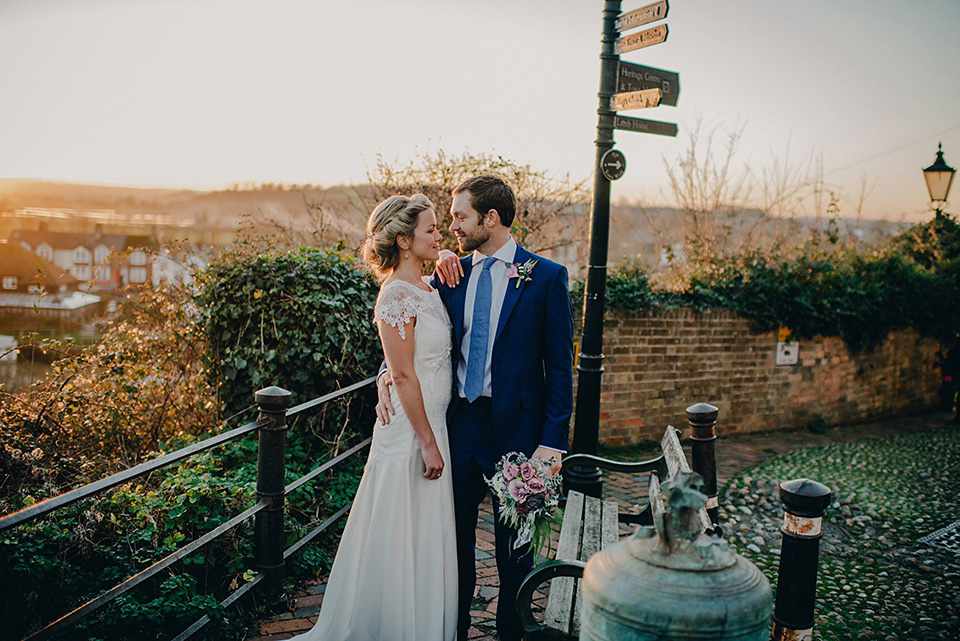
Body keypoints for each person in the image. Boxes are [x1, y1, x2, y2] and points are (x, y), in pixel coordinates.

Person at [377, 175, 574, 641]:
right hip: (459, 428)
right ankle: (454, 629)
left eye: (460, 216)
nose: (452, 227)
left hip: (521, 435)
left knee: (515, 551)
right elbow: (413, 339)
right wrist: (384, 376)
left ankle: (511, 632)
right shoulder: (450, 275)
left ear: (491, 218)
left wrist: (552, 443)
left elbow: (561, 370)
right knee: (453, 541)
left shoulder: (546, 277)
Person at [292, 194, 458, 641]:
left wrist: (443, 253)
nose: (439, 235)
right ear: (404, 241)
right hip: (411, 431)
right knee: (397, 526)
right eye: (431, 230)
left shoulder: (427, 288)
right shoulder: (396, 294)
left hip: (434, 423)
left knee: (422, 533)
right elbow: (402, 374)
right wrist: (427, 441)